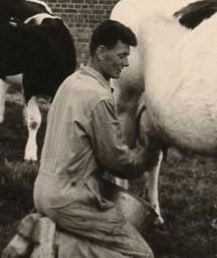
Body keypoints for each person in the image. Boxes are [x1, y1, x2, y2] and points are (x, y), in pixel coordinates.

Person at [33, 19, 161, 258]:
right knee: (140, 254)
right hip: (72, 199)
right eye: (121, 55)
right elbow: (117, 161)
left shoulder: (69, 83)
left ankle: (51, 240)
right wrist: (147, 156)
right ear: (101, 52)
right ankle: (55, 245)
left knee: (102, 246)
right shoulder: (98, 97)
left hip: (43, 190)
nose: (126, 63)